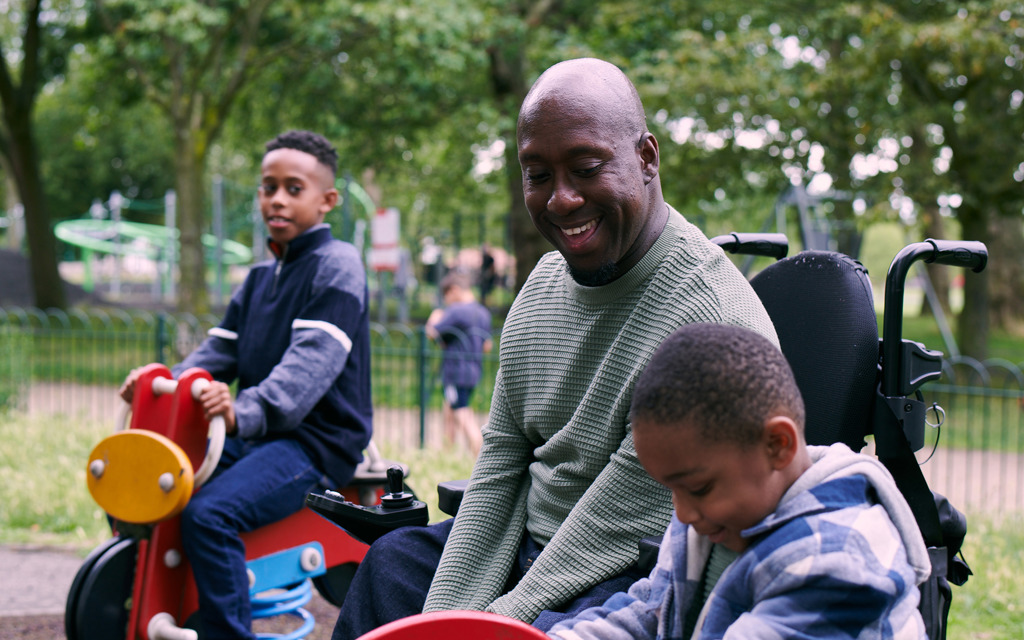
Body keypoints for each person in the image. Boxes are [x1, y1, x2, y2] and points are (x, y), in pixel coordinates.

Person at [331, 57, 778, 639]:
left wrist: (491, 623)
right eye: (537, 175)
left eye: (587, 168)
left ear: (646, 158)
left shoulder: (707, 321)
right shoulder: (541, 288)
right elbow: (499, 464)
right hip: (527, 543)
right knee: (390, 570)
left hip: (632, 568)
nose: (561, 200)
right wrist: (443, 615)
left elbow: (615, 522)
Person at [120, 130, 373, 640]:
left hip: (316, 442)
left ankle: (225, 632)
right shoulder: (261, 277)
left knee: (210, 515)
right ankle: (156, 598)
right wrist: (161, 384)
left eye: (293, 188)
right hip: (262, 434)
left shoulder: (337, 266)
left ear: (327, 200)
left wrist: (242, 410)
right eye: (267, 186)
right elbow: (217, 353)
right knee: (149, 485)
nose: (276, 198)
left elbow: (305, 371)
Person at [547, 323, 931, 639]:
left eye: (697, 488)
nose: (681, 512)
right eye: (672, 490)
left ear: (777, 445)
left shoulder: (837, 562)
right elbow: (652, 609)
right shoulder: (712, 520)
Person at [425, 270, 493, 456]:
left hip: (456, 370)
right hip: (473, 370)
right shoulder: (482, 312)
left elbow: (432, 332)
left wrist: (435, 316)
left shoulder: (456, 311)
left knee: (461, 412)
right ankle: (447, 451)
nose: (446, 301)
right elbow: (487, 345)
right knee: (449, 408)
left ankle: (478, 451)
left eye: (446, 295)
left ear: (454, 290)